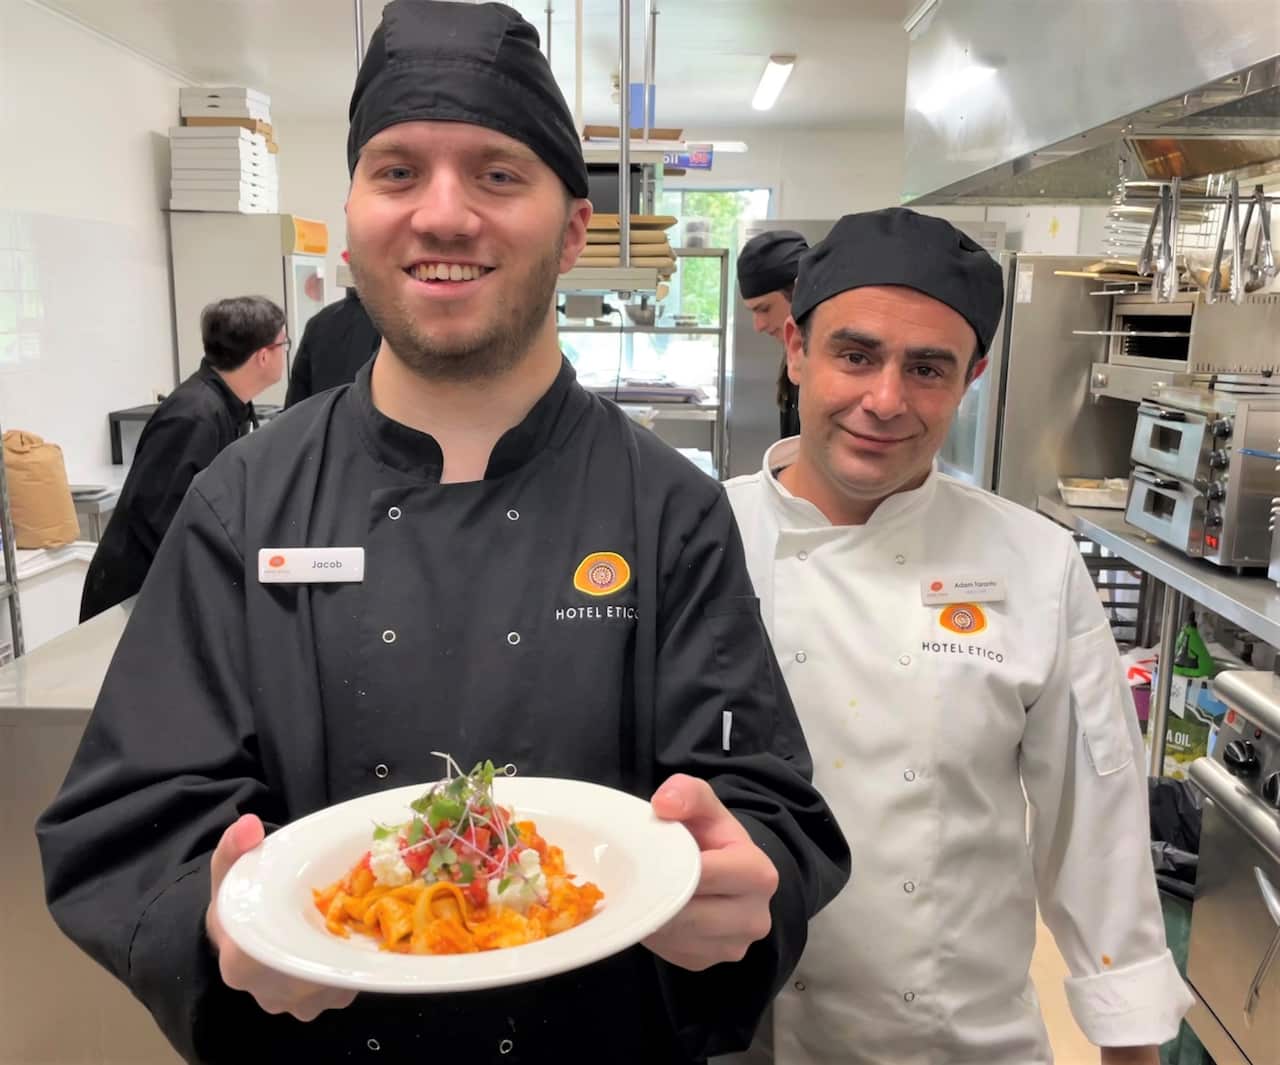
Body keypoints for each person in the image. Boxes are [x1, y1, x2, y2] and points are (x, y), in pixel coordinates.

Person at [37, 4, 849, 1064]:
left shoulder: (666, 504)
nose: (443, 214)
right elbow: (134, 812)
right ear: (356, 210)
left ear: (570, 230)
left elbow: (759, 798)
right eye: (397, 171)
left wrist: (750, 883)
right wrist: (212, 919)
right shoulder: (243, 499)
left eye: (497, 174)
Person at [724, 207, 1192, 1065]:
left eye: (928, 368)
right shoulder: (700, 538)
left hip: (950, 1041)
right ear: (795, 347)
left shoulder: (1034, 563)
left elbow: (1096, 825)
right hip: (733, 1035)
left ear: (972, 376)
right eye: (855, 354)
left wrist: (1130, 1044)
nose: (886, 400)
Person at [78, 295, 286, 621]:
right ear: (263, 356)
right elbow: (160, 519)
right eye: (283, 344)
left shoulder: (226, 406)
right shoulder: (194, 416)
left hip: (164, 589)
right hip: (134, 596)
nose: (286, 353)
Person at [284, 253, 381, 407]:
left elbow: (296, 398)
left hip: (320, 425)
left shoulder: (319, 321)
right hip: (367, 427)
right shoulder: (391, 325)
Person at [737, 230, 807, 439]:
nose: (758, 326)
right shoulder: (794, 358)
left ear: (799, 291)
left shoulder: (829, 366)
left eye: (764, 309)